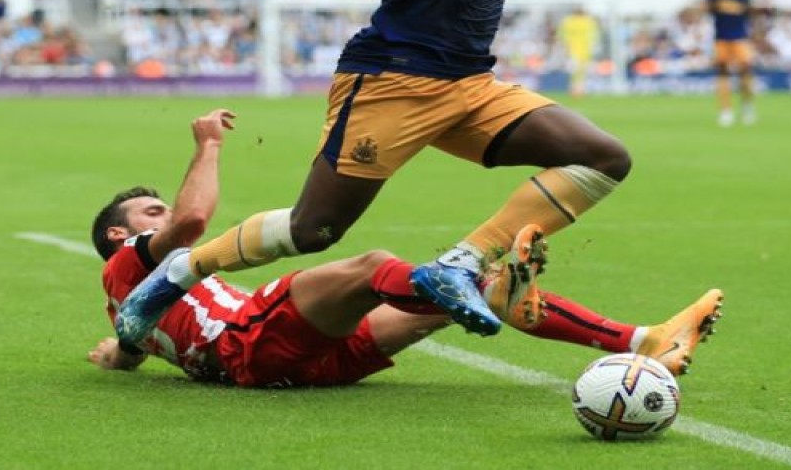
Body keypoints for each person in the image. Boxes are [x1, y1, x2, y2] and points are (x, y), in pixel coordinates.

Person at [116, 0, 632, 342]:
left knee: (603, 157)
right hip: (394, 81)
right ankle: (181, 271)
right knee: (313, 230)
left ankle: (462, 262)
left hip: (473, 85)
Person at [91, 109, 723, 387]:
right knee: (373, 267)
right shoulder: (132, 261)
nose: (164, 215)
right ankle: (470, 282)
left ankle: (645, 343)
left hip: (300, 362)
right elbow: (195, 222)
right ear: (120, 238)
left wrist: (112, 357)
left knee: (472, 293)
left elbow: (129, 353)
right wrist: (208, 145)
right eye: (150, 214)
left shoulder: (125, 311)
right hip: (253, 344)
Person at [705, 0, 757, 127]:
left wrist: (727, 6)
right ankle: (725, 110)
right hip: (721, 37)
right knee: (722, 73)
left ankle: (747, 106)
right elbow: (708, 7)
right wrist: (726, 7)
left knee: (746, 72)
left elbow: (748, 9)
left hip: (740, 37)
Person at [557, 6, 601, 96]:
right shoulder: (588, 21)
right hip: (584, 50)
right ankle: (579, 89)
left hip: (572, 50)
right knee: (581, 71)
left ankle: (575, 89)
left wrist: (565, 46)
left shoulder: (568, 21)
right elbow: (594, 36)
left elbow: (562, 35)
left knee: (575, 71)